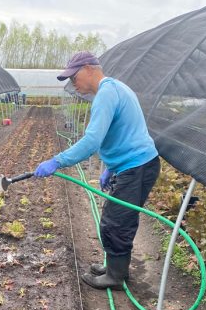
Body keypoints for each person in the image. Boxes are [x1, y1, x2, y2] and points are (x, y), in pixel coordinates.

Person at [33, 51, 160, 290]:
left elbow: (92, 141)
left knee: (116, 221)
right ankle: (115, 268)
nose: (73, 84)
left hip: (137, 166)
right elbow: (123, 133)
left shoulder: (106, 94)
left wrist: (57, 161)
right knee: (119, 218)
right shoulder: (115, 88)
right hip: (132, 165)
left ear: (90, 68)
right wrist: (111, 169)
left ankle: (115, 277)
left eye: (74, 77)